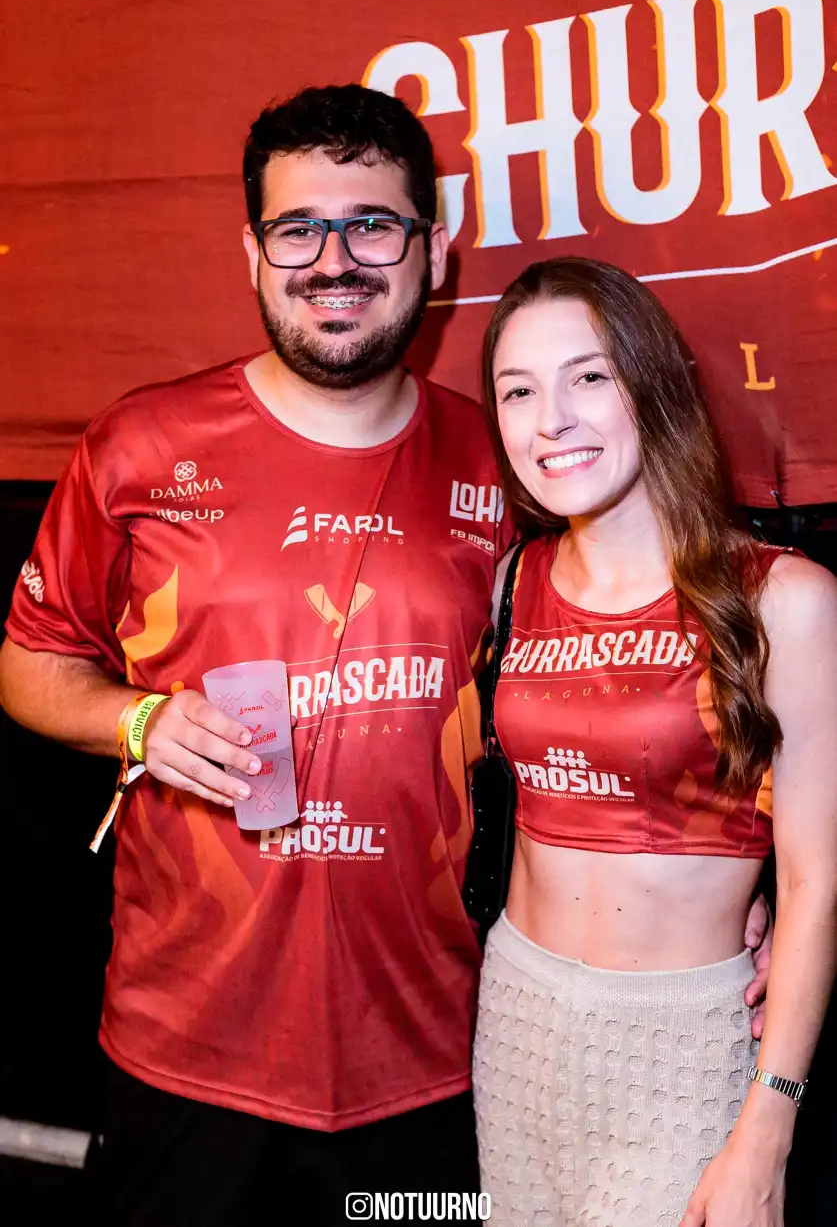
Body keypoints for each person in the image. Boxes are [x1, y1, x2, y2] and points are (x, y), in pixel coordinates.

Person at [0, 90, 770, 1225]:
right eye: (298, 229)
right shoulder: (138, 446)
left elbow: (644, 682)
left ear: (432, 250)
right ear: (252, 253)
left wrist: (732, 894)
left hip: (435, 1059)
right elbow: (30, 665)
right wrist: (137, 720)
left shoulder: (513, 457)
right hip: (185, 1055)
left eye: (371, 224)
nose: (334, 260)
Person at [472, 256, 837, 1227]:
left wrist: (770, 1124)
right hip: (516, 1021)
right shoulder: (512, 581)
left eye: (588, 376)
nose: (551, 420)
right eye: (518, 390)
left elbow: (814, 881)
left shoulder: (782, 598)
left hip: (685, 1046)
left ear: (654, 382)